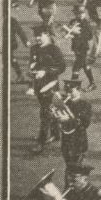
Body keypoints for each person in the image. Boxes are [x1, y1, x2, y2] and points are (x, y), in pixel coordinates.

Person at [28, 24, 67, 154]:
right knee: (51, 109)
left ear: (47, 35)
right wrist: (32, 75)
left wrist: (45, 71)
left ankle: (41, 142)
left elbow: (62, 67)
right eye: (36, 36)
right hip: (39, 86)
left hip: (50, 85)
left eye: (40, 35)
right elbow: (32, 65)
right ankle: (56, 134)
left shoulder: (54, 49)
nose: (37, 38)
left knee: (44, 113)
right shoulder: (34, 49)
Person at [57, 78, 92, 184]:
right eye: (67, 91)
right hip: (66, 140)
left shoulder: (84, 104)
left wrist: (68, 119)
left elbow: (85, 123)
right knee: (68, 165)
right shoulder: (66, 102)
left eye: (71, 91)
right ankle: (69, 189)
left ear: (78, 89)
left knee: (74, 169)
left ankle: (71, 189)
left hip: (78, 141)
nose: (68, 94)